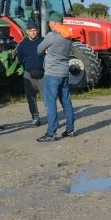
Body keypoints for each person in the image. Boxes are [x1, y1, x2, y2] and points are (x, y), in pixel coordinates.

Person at [35, 13, 75, 142]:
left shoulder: (52, 36)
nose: (49, 25)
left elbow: (38, 50)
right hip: (64, 73)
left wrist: (47, 50)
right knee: (66, 102)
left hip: (52, 74)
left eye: (50, 23)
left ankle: (51, 133)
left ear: (54, 23)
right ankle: (70, 130)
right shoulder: (68, 37)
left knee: (50, 103)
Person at [15, 20, 45, 127]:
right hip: (29, 74)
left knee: (47, 97)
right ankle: (35, 117)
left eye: (35, 30)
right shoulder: (22, 44)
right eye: (31, 30)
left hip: (43, 74)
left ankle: (51, 116)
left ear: (38, 31)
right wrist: (27, 67)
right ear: (27, 31)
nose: (33, 32)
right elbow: (20, 59)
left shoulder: (43, 41)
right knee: (31, 97)